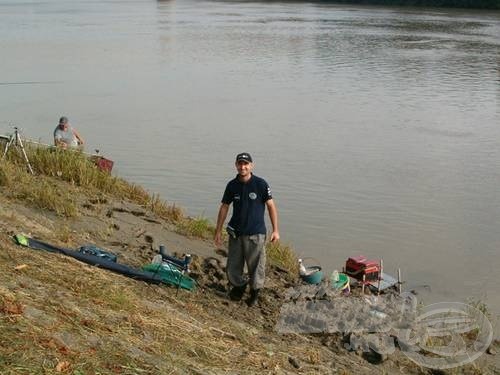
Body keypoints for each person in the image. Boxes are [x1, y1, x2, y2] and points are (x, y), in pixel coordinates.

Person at [214, 152, 280, 307]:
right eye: (240, 164)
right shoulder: (232, 185)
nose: (243, 167)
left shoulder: (261, 184)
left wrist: (275, 230)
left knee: (256, 266)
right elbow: (224, 207)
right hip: (236, 232)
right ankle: (238, 287)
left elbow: (271, 206)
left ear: (251, 166)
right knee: (233, 265)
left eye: (246, 164)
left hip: (256, 233)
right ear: (236, 165)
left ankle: (254, 293)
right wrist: (217, 230)